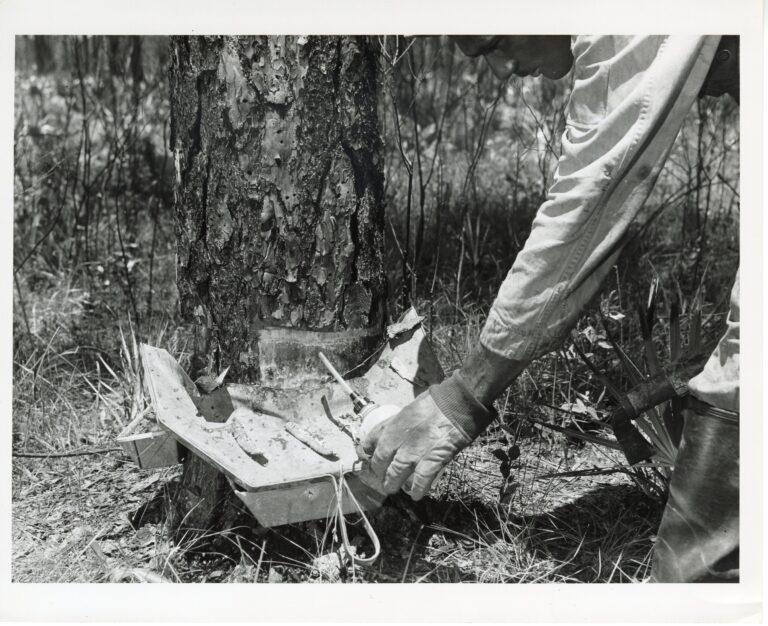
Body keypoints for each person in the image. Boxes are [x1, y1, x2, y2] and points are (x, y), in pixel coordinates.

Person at [361, 35, 740, 583]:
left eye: (496, 42)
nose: (505, 67)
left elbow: (586, 210)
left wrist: (463, 398)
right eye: (479, 56)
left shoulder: (620, 30)